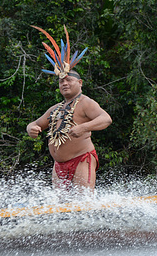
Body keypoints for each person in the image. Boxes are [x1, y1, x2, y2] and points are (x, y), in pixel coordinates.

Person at [27, 26, 112, 191]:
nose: (64, 83)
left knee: (83, 204)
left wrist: (84, 127)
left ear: (79, 83)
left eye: (68, 80)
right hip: (58, 165)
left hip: (81, 159)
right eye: (61, 81)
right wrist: (31, 128)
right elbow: (35, 123)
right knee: (62, 209)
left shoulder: (86, 102)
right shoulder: (55, 108)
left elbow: (106, 119)